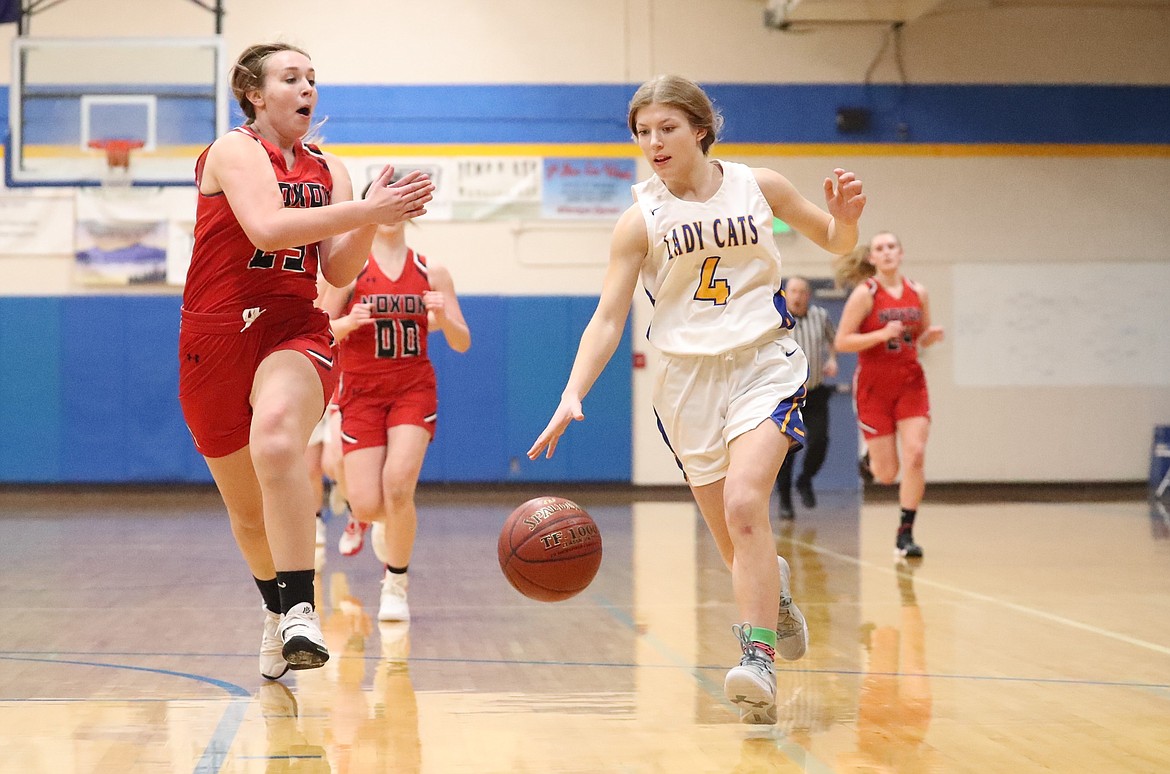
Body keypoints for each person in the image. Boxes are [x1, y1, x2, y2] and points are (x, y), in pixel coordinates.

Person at [527, 75, 866, 724]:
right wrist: (573, 392)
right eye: (642, 132)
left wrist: (846, 222)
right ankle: (778, 599)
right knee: (734, 539)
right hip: (685, 383)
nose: (653, 143)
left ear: (700, 128)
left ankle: (756, 656)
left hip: (764, 365)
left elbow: (834, 239)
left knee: (745, 503)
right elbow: (607, 317)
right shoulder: (639, 219)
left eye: (667, 128)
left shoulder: (757, 186)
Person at [177, 42, 434, 678]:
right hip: (213, 337)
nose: (307, 88)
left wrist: (374, 219)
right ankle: (274, 612)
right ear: (255, 95)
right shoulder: (232, 151)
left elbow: (338, 267)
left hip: (295, 330)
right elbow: (266, 227)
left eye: (312, 79)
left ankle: (300, 608)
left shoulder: (331, 171)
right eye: (291, 78)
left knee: (276, 438)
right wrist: (370, 210)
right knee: (246, 514)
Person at [323, 199, 471, 622]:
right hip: (362, 393)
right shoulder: (348, 271)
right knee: (370, 504)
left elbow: (462, 341)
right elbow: (319, 330)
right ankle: (364, 518)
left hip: (412, 389)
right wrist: (348, 323)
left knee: (400, 486)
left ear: (408, 212)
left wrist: (443, 317)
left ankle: (396, 585)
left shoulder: (431, 273)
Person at [833, 233, 944, 559]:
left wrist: (929, 338)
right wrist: (881, 333)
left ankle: (905, 533)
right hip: (873, 386)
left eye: (892, 246)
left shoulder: (918, 292)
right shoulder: (865, 295)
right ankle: (870, 460)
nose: (887, 252)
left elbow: (917, 338)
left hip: (910, 382)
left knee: (916, 454)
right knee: (886, 474)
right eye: (880, 248)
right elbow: (842, 342)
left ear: (901, 252)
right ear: (872, 258)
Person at [775, 276, 838, 520]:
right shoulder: (776, 319)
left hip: (815, 391)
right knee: (786, 449)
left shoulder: (821, 316)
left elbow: (833, 341)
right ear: (786, 293)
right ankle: (785, 501)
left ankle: (805, 479)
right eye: (793, 291)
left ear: (808, 295)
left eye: (802, 291)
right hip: (785, 395)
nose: (798, 295)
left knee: (820, 440)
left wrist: (832, 359)